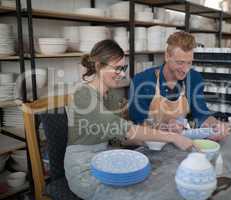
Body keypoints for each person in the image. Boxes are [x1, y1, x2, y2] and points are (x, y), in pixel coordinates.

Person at [65, 39, 193, 199]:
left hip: (106, 158)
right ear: (98, 66)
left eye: (123, 68)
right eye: (117, 68)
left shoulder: (110, 95)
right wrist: (173, 137)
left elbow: (120, 139)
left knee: (154, 183)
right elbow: (125, 129)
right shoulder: (83, 95)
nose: (123, 74)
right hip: (83, 168)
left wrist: (153, 137)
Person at [128, 31, 231, 141]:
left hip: (180, 142)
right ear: (167, 56)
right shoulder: (142, 82)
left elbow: (201, 114)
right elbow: (138, 125)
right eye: (180, 63)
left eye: (189, 63)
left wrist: (215, 124)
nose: (185, 69)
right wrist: (166, 126)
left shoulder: (194, 79)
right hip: (150, 144)